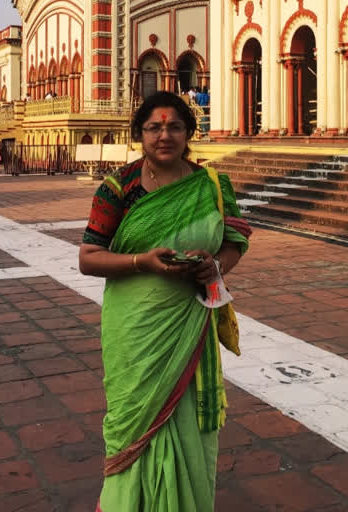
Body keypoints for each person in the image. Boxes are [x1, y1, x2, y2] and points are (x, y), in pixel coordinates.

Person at [78, 91, 251, 512]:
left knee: (187, 421)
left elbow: (237, 237)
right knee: (135, 416)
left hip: (189, 322)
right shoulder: (118, 188)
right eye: (154, 127)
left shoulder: (210, 184)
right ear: (139, 134)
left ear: (189, 133)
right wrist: (143, 261)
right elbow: (88, 258)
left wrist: (217, 268)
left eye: (174, 126)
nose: (164, 135)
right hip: (137, 327)